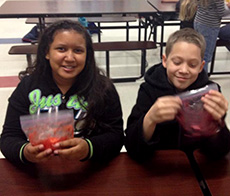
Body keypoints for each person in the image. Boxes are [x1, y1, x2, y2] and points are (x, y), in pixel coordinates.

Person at [0, 20, 124, 165]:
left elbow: (116, 136)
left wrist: (88, 148)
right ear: (47, 52)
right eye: (61, 49)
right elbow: (9, 137)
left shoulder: (103, 88)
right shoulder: (28, 87)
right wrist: (25, 152)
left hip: (88, 169)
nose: (70, 58)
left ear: (87, 55)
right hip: (40, 171)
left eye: (78, 50)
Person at [125, 28, 230, 161]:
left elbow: (220, 152)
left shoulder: (209, 94)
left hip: (195, 166)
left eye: (192, 65)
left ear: (201, 66)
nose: (184, 70)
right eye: (177, 62)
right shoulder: (149, 90)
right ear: (165, 60)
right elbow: (132, 148)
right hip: (159, 166)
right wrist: (150, 119)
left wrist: (217, 124)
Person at [194, 0, 227, 73]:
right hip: (209, 26)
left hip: (198, 21)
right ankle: (203, 80)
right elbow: (221, 13)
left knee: (199, 53)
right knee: (205, 57)